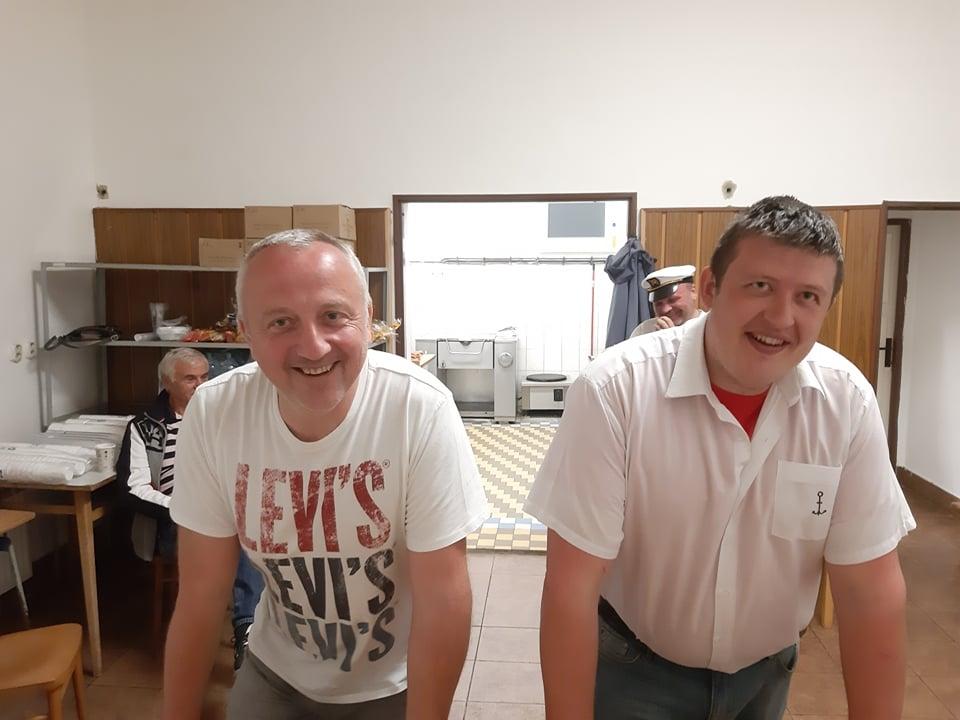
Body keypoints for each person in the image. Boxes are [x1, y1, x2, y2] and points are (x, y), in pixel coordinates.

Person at [526, 196, 915, 719]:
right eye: (760, 286)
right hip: (634, 671)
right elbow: (571, 587)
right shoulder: (617, 389)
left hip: (766, 677)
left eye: (807, 296)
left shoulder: (844, 402)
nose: (781, 317)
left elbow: (870, 591)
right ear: (710, 287)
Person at [162, 229, 487, 720]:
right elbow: (201, 597)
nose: (313, 348)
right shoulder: (215, 413)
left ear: (369, 318)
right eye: (280, 322)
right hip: (276, 674)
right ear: (246, 331)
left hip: (396, 682)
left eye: (333, 316)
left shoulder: (417, 408)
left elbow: (443, 600)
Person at [117, 348, 266, 670]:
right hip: (176, 521)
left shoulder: (222, 418)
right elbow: (133, 489)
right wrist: (185, 508)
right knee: (236, 535)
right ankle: (241, 628)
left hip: (225, 512)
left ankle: (247, 630)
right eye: (189, 379)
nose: (200, 385)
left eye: (204, 377)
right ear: (167, 382)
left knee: (248, 529)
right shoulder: (145, 427)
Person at [630, 264, 703, 337]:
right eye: (658, 304)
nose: (665, 309)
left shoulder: (707, 327)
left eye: (672, 300)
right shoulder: (644, 331)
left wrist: (671, 339)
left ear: (693, 292)